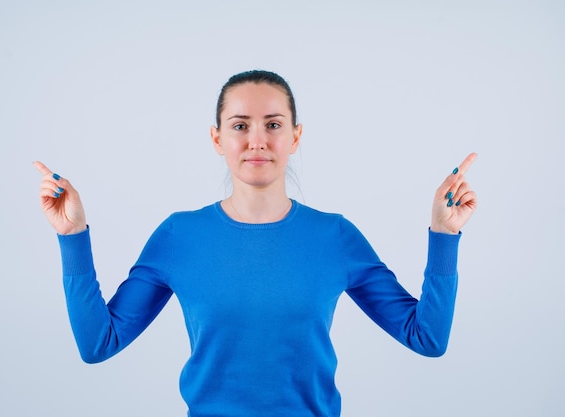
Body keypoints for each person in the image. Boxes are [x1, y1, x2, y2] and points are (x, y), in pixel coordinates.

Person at [34, 70, 477, 417]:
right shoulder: (179, 236)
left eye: (273, 124)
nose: (257, 141)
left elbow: (427, 337)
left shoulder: (335, 237)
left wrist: (444, 235)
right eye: (240, 125)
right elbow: (99, 343)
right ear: (217, 138)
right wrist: (73, 238)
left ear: (295, 137)